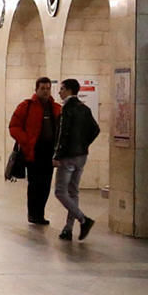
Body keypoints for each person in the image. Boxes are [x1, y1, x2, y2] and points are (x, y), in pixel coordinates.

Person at [8, 77, 62, 226]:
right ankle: (33, 214)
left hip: (49, 153)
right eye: (42, 88)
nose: (45, 91)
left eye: (48, 88)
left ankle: (40, 213)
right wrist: (25, 141)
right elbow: (14, 127)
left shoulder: (56, 108)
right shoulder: (26, 106)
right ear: (36, 89)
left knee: (45, 184)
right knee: (34, 184)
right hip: (33, 152)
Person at [53, 78, 101, 240]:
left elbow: (63, 134)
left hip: (68, 156)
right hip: (82, 155)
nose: (59, 92)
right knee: (73, 191)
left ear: (68, 90)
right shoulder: (84, 108)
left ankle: (83, 219)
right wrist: (83, 144)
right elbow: (95, 129)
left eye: (61, 89)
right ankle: (68, 228)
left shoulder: (67, 108)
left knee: (60, 191)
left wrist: (57, 155)